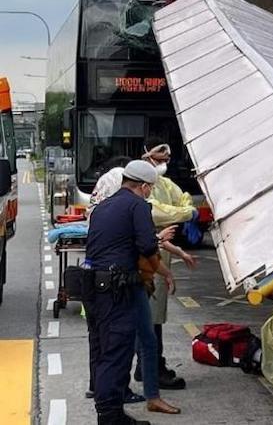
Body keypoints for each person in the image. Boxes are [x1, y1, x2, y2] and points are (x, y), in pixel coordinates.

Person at [83, 160, 170, 425]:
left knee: (101, 350)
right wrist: (164, 271)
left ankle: (112, 412)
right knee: (116, 353)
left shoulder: (103, 206)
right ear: (143, 187)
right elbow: (146, 245)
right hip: (116, 288)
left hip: (92, 286)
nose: (150, 193)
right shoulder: (138, 206)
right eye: (150, 188)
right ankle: (110, 417)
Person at [137, 143, 199, 390]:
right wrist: (185, 214)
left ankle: (148, 367)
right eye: (161, 156)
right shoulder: (142, 185)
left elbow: (181, 197)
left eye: (168, 157)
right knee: (149, 317)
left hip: (158, 255)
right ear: (147, 155)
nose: (165, 161)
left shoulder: (162, 183)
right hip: (147, 258)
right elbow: (156, 213)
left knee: (155, 316)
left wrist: (186, 210)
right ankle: (151, 369)